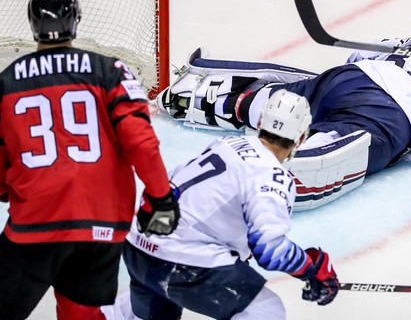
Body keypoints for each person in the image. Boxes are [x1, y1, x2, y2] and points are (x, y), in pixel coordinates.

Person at [156, 0, 411, 209]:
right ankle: (274, 177)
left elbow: (353, 62)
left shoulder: (392, 40)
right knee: (338, 142)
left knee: (298, 100)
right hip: (389, 112)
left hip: (346, 80)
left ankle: (217, 99)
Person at [0, 0, 179, 320]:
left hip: (34, 224)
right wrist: (161, 198)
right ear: (77, 19)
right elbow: (141, 143)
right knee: (82, 312)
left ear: (31, 22)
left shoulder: (1, 86)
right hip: (100, 226)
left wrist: (0, 191)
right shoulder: (109, 71)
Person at [105, 89, 339, 320]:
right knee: (266, 311)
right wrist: (313, 267)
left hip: (139, 246)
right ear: (300, 138)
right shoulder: (272, 175)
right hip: (181, 260)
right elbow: (269, 250)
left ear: (259, 123)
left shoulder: (227, 144)